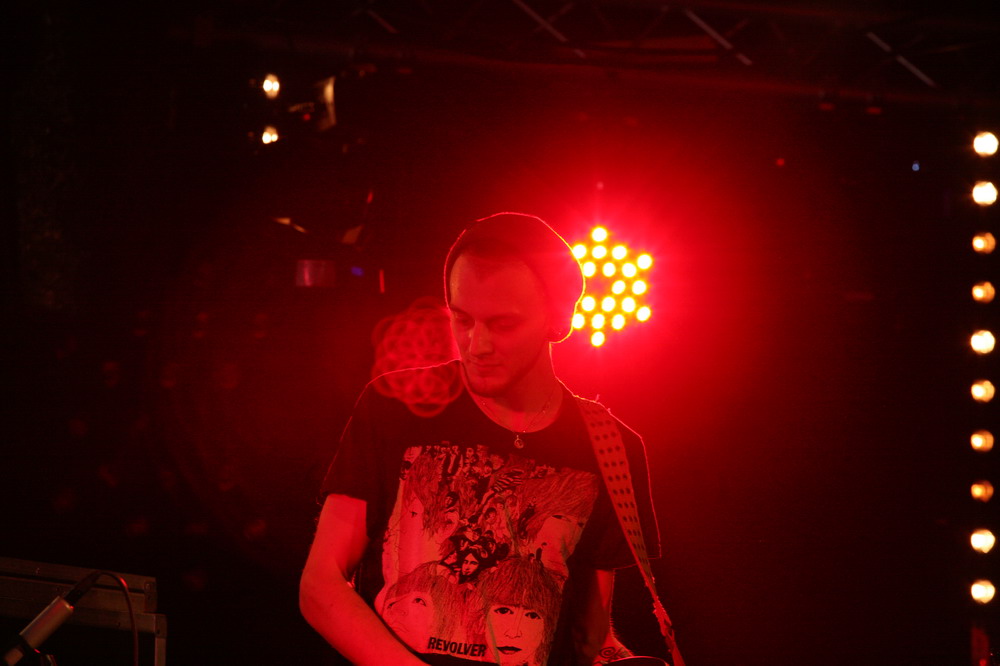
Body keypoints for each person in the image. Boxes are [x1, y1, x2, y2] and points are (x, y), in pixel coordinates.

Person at [300, 212, 661, 665]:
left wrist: (616, 656)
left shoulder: (610, 448)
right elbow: (321, 583)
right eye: (463, 319)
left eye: (503, 325)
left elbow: (590, 634)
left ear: (558, 319)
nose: (477, 345)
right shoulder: (394, 405)